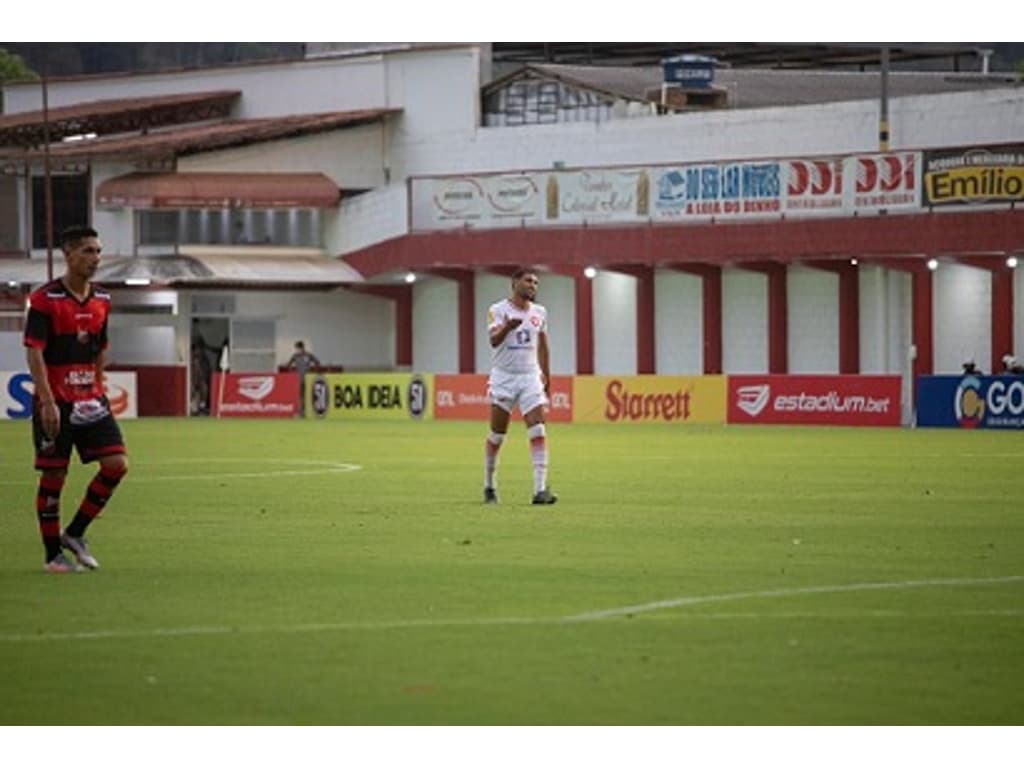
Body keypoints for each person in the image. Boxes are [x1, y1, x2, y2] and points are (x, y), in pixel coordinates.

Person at [24, 225, 129, 573]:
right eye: (87, 251)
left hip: (90, 399)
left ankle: (76, 533)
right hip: (55, 401)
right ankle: (52, 554)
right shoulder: (45, 300)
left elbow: (101, 348)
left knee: (117, 465)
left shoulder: (102, 300)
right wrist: (47, 400)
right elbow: (35, 353)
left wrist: (98, 389)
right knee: (54, 478)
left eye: (98, 251)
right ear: (68, 255)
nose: (95, 258)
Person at [483, 267, 557, 505]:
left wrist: (547, 376)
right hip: (504, 377)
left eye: (536, 282)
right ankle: (489, 485)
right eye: (528, 281)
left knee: (538, 429)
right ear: (514, 282)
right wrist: (507, 327)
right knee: (497, 435)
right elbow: (493, 341)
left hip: (529, 377)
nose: (533, 285)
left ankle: (540, 490)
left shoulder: (540, 312)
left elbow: (543, 346)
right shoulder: (497, 310)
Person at [286, 340, 321, 416]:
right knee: (301, 395)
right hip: (299, 378)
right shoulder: (295, 356)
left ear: (301, 348)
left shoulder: (308, 355)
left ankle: (311, 411)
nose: (296, 350)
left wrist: (315, 371)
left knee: (309, 394)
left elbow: (317, 362)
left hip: (308, 378)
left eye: (297, 348)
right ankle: (302, 412)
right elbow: (288, 365)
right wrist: (292, 372)